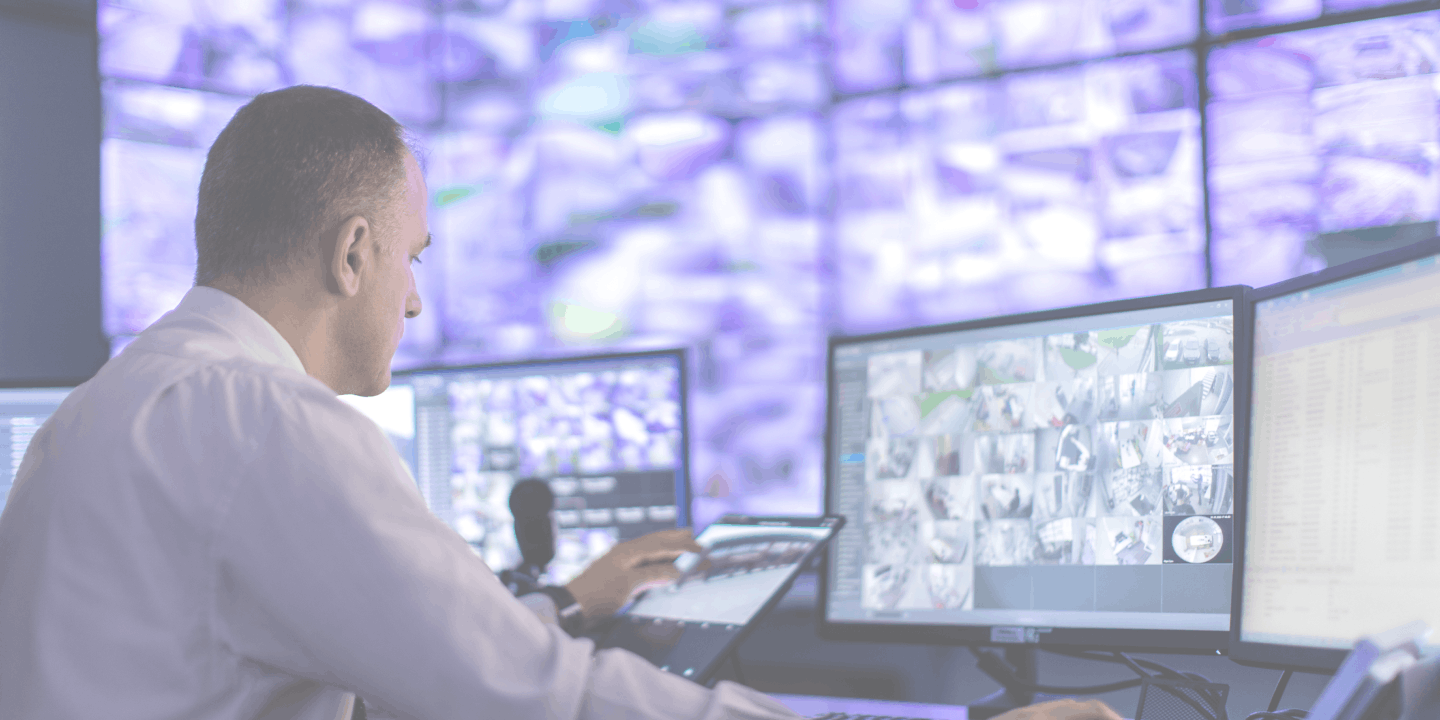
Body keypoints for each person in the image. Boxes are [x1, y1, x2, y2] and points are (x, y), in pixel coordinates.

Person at [0, 85, 1122, 720]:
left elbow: (408, 652)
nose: (417, 302)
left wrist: (569, 606)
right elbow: (541, 709)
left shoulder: (102, 413)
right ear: (352, 254)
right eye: (411, 258)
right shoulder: (268, 424)